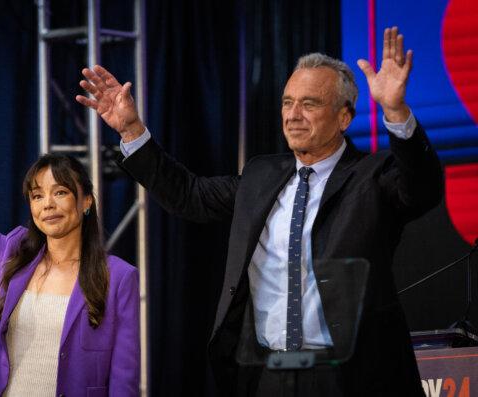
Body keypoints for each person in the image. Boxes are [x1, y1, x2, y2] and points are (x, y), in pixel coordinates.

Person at [76, 26, 443, 396]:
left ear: (344, 117)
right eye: (287, 102)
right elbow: (189, 195)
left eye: (310, 104)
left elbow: (422, 189)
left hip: (350, 376)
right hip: (268, 375)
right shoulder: (260, 175)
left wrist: (396, 112)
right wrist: (131, 130)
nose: (293, 115)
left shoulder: (371, 177)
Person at [0, 65, 140, 397]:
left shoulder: (118, 277)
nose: (47, 204)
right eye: (37, 195)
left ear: (86, 201)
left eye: (60, 192)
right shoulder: (11, 253)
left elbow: (125, 378)